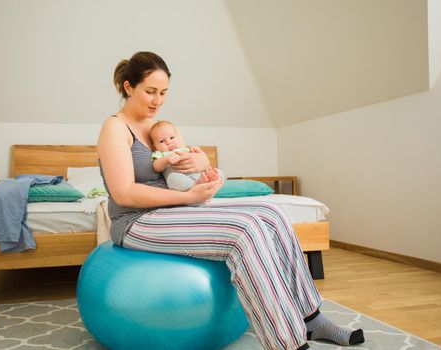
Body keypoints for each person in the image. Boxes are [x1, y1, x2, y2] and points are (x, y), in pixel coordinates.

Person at [97, 51, 364, 350]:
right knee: (245, 229)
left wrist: (202, 169)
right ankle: (287, 343)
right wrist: (186, 196)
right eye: (150, 92)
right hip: (136, 220)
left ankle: (311, 319)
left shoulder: (161, 126)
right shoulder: (115, 128)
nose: (157, 100)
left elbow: (183, 167)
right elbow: (124, 193)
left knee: (270, 211)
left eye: (163, 93)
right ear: (129, 86)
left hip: (175, 208)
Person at [149, 119, 222, 191]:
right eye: (161, 141)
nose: (168, 142)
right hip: (183, 180)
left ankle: (211, 181)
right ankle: (196, 185)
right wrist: (166, 160)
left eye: (171, 138)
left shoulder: (183, 149)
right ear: (155, 147)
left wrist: (196, 152)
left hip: (198, 175)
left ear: (178, 137)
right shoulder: (160, 154)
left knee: (219, 172)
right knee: (173, 178)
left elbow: (196, 160)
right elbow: (156, 166)